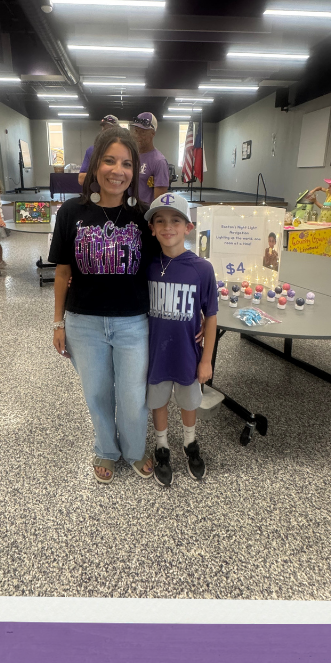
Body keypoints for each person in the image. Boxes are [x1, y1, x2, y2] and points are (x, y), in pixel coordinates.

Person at [49, 125, 160, 483]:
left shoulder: (145, 217)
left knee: (132, 396)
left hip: (133, 321)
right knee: (97, 393)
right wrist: (57, 322)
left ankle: (133, 449)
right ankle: (106, 450)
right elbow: (63, 271)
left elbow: (164, 267)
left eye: (126, 163)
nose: (118, 170)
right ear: (96, 165)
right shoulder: (70, 213)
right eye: (109, 161)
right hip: (84, 322)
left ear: (135, 170)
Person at [143, 196, 216, 487]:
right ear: (151, 228)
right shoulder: (145, 266)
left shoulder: (202, 268)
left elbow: (210, 315)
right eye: (160, 220)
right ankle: (162, 447)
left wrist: (207, 359)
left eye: (175, 220)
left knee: (188, 402)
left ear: (189, 227)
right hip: (154, 355)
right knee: (158, 401)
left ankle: (190, 443)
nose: (167, 226)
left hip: (187, 354)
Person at [129, 112, 171, 206]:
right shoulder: (130, 156)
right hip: (127, 211)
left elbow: (160, 201)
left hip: (145, 214)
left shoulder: (159, 162)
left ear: (153, 133)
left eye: (143, 132)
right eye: (136, 130)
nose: (138, 135)